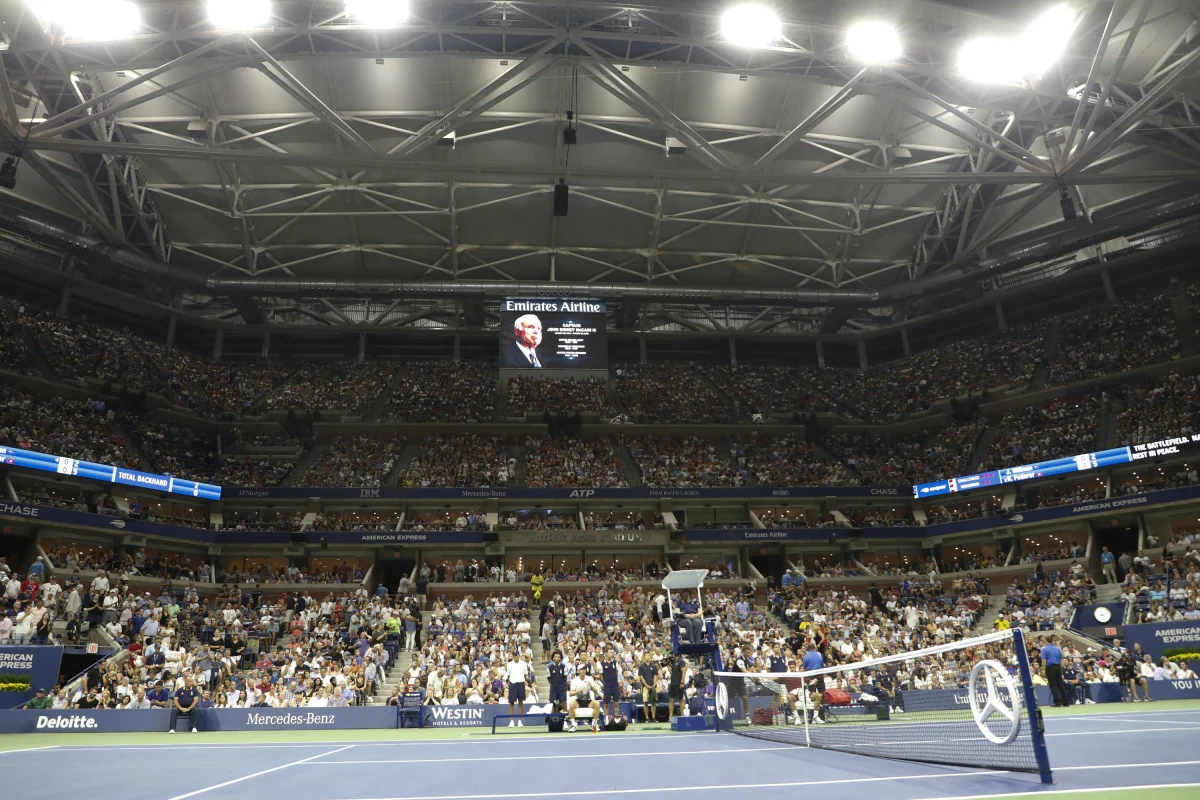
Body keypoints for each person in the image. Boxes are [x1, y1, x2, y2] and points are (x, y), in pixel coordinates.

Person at [1041, 636, 1069, 707]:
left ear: (1046, 641)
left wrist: (1043, 669)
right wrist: (1061, 671)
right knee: (1060, 684)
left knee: (1053, 685)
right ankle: (1066, 702)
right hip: (1058, 667)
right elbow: (1061, 660)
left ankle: (1057, 702)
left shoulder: (1044, 649)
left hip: (1050, 668)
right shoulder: (1057, 649)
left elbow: (1044, 660)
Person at [506, 652, 529, 727]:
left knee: (521, 702)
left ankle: (520, 721)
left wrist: (529, 682)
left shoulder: (524, 664)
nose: (515, 657)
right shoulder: (509, 664)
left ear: (519, 656)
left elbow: (526, 675)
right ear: (513, 656)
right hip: (512, 684)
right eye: (514, 655)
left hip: (521, 684)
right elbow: (508, 675)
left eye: (517, 655)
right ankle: (511, 721)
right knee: (511, 703)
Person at [638, 653, 659, 723]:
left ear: (650, 657)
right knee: (645, 702)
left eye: (648, 656)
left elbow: (656, 675)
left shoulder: (654, 666)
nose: (647, 657)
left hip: (653, 686)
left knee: (653, 702)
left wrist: (654, 684)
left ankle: (653, 717)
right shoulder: (641, 667)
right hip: (645, 687)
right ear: (644, 657)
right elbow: (641, 677)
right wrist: (646, 685)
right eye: (646, 656)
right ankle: (647, 718)